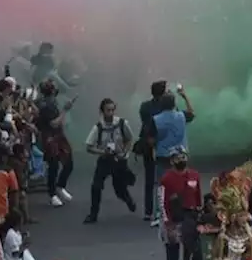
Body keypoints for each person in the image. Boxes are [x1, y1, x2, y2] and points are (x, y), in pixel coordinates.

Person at [158, 147, 204, 260]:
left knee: (196, 254)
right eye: (177, 158)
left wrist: (200, 218)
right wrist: (167, 224)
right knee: (172, 258)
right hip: (173, 220)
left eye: (183, 156)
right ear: (171, 161)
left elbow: (198, 198)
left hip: (190, 219)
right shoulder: (166, 179)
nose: (181, 160)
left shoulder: (194, 175)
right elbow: (161, 202)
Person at [83, 97, 137, 223]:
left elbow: (129, 139)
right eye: (108, 110)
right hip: (105, 160)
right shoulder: (98, 127)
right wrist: (103, 152)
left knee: (119, 189)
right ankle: (93, 214)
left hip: (119, 159)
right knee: (96, 186)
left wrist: (124, 153)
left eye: (113, 110)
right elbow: (89, 147)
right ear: (102, 111)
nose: (111, 113)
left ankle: (128, 200)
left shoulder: (122, 123)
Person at [152, 85, 195, 227]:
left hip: (163, 155)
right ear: (174, 104)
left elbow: (152, 138)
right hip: (180, 155)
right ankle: (185, 210)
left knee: (162, 185)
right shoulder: (181, 116)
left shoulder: (156, 119)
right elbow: (191, 112)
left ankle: (160, 213)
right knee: (181, 183)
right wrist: (184, 95)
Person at [36, 80, 76, 207]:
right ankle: (52, 194)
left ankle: (60, 186)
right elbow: (54, 123)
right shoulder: (46, 106)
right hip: (50, 137)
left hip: (58, 135)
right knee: (53, 166)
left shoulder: (50, 103)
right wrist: (65, 110)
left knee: (68, 162)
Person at [138, 80, 168, 225]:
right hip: (159, 145)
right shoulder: (165, 109)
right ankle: (160, 211)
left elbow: (145, 124)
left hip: (148, 144)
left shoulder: (145, 106)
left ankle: (148, 211)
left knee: (149, 179)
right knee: (161, 179)